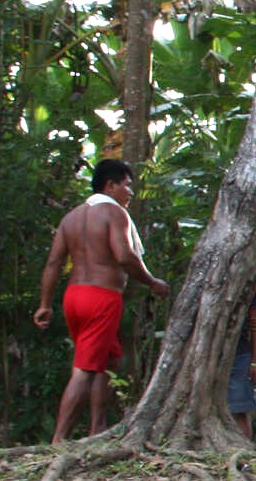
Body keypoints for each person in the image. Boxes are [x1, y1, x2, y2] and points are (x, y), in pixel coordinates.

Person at [32, 159, 169, 444]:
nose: (130, 192)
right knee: (83, 369)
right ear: (111, 185)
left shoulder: (71, 217)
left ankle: (97, 429)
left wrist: (45, 304)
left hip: (74, 297)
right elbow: (124, 255)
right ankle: (59, 440)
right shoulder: (114, 213)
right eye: (127, 185)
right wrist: (152, 281)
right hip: (101, 297)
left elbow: (54, 262)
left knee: (108, 361)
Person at [227, 281, 256, 440]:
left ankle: (243, 455)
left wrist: (254, 362)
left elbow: (255, 325)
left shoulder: (249, 286)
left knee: (239, 409)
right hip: (209, 357)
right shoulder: (207, 283)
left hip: (239, 355)